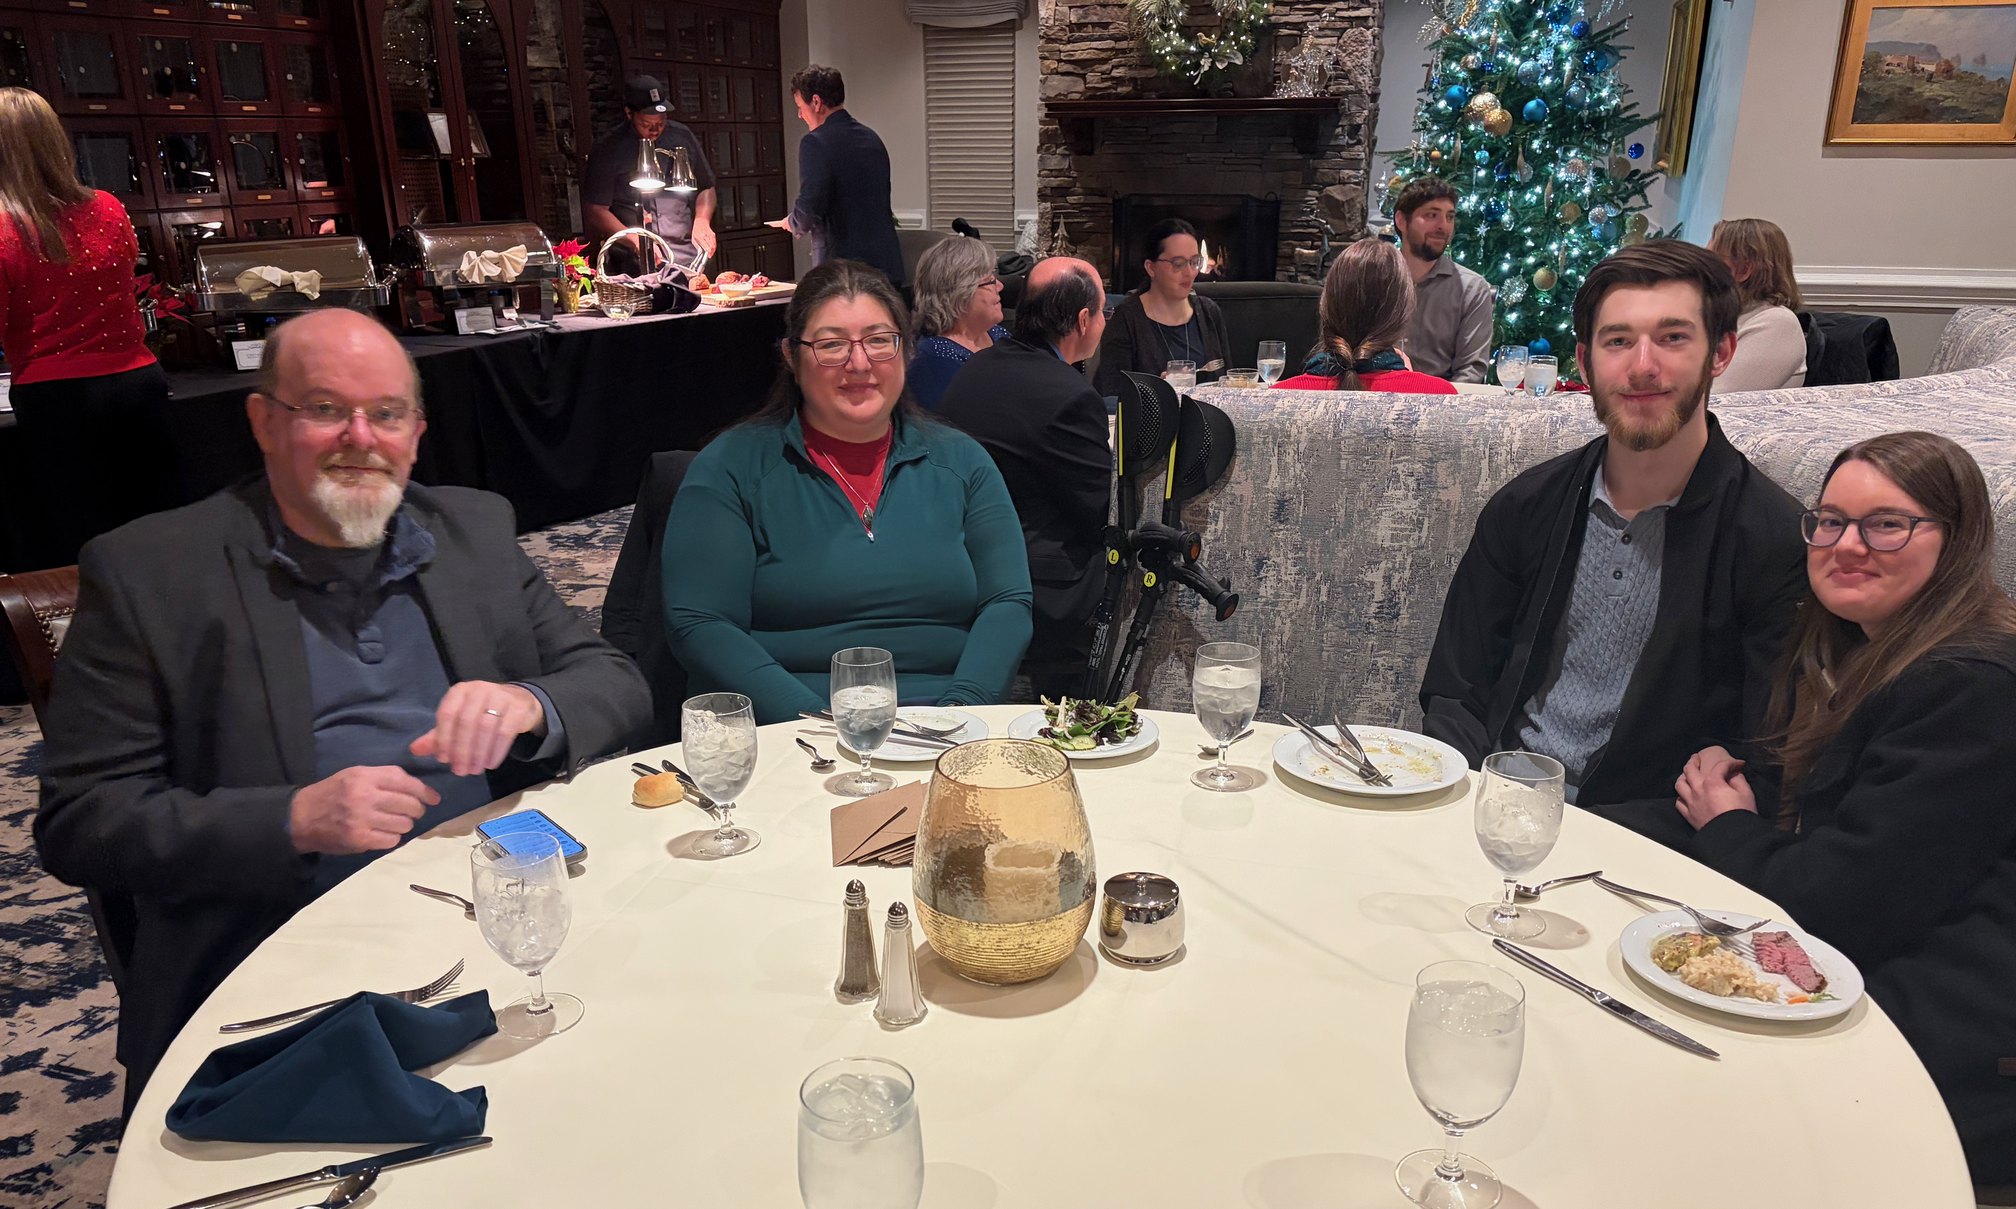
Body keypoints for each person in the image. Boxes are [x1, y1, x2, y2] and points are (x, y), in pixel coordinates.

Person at [32, 309, 651, 1114]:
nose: (361, 437)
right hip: (285, 949)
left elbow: (614, 679)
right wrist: (292, 819)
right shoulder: (152, 571)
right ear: (264, 421)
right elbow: (81, 821)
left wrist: (527, 702)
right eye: (325, 409)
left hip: (497, 920)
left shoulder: (471, 528)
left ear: (416, 432)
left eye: (387, 413)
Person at [1666, 432, 2016, 1190]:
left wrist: (1725, 824)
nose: (1848, 545)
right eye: (1830, 520)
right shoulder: (1859, 648)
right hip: (1890, 967)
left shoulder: (1971, 684)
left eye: (1887, 524)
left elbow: (1843, 904)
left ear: (1956, 541)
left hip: (1959, 1055)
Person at [1418, 239, 1806, 810]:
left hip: (1653, 836)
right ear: (1585, 362)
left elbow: (1770, 753)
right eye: (1618, 341)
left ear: (1721, 353)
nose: (1642, 365)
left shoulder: (1774, 539)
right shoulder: (1525, 506)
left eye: (1673, 338)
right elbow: (1456, 690)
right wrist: (1460, 802)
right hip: (1495, 804)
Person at [663, 259, 1031, 723]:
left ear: (906, 351)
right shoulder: (732, 467)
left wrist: (962, 713)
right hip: (789, 727)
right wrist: (816, 721)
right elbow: (701, 622)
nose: (859, 364)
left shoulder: (962, 461)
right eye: (831, 345)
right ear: (792, 357)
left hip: (944, 720)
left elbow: (1007, 602)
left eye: (879, 340)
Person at [0, 87, 173, 569]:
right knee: (155, 525)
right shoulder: (109, 207)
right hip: (138, 381)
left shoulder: (4, 230)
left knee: (83, 540)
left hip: (58, 397)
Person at [935, 257, 1114, 697]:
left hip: (959, 566)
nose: (1105, 321)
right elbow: (1097, 513)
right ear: (1083, 320)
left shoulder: (978, 366)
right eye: (1104, 312)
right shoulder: (1071, 396)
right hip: (1034, 589)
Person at [764, 66, 905, 284]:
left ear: (816, 102)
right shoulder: (871, 138)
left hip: (843, 272)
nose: (800, 115)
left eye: (800, 107)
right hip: (886, 265)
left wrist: (792, 222)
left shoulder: (814, 142)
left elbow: (811, 205)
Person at [1272, 238, 1458, 394]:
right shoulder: (1440, 396)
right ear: (1402, 313)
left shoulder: (1276, 398)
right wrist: (1405, 376)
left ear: (1326, 306)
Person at [581, 74, 717, 277]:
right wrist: (637, 241)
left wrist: (702, 220)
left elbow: (706, 187)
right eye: (646, 124)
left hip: (685, 255)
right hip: (632, 260)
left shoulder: (682, 136)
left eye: (661, 122)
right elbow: (596, 209)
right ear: (629, 113)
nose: (656, 130)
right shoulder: (609, 147)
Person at [1093, 217, 1229, 398]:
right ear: (1151, 268)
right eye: (1178, 264)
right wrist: (1154, 392)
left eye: (1194, 262)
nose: (1189, 272)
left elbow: (1228, 382)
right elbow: (1112, 395)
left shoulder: (1209, 312)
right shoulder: (1126, 319)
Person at [1391, 175, 1495, 383]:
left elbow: (1470, 371)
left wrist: (1438, 400)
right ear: (1401, 220)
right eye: (1431, 215)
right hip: (1373, 396)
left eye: (1450, 217)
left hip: (1443, 398)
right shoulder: (1371, 278)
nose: (1443, 226)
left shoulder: (1471, 288)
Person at [907, 234, 1007, 411]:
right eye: (990, 281)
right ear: (961, 292)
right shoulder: (934, 359)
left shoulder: (997, 333)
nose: (1000, 286)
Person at [1708, 217, 1807, 393]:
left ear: (1744, 270)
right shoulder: (1721, 314)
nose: (1699, 269)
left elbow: (1718, 396)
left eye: (1710, 261)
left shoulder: (1778, 323)